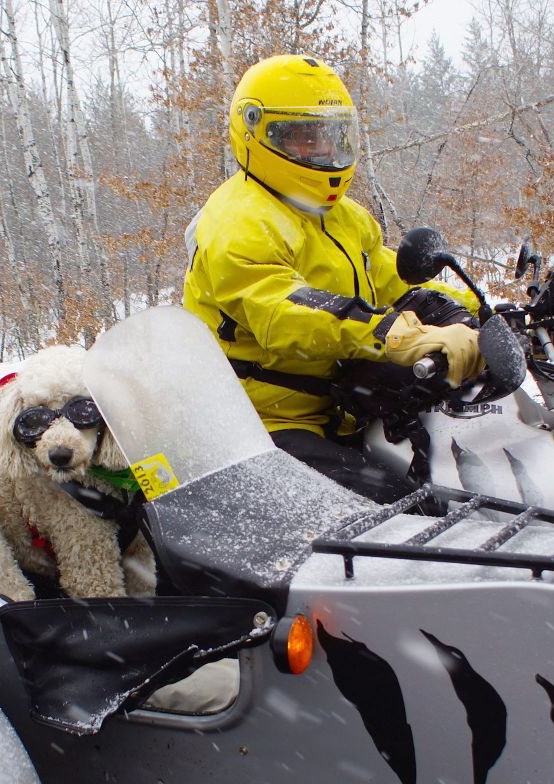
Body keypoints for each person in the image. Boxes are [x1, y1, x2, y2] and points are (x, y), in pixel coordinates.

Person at [183, 54, 485, 503]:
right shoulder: (238, 221)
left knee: (451, 471)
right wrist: (392, 334)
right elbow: (285, 310)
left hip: (344, 408)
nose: (323, 152)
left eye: (331, 136)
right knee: (399, 511)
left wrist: (476, 309)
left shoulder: (342, 215)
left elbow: (387, 278)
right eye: (304, 138)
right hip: (262, 424)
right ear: (255, 133)